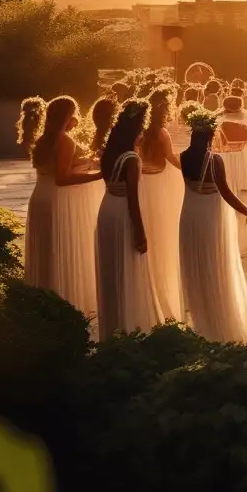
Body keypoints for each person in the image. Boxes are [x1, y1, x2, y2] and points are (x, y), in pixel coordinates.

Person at [178, 108, 247, 342]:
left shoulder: (184, 157)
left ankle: (200, 319)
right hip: (211, 215)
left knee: (197, 264)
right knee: (215, 262)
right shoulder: (215, 160)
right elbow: (226, 194)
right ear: (210, 135)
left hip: (190, 214)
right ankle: (219, 320)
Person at [95, 99, 163, 342]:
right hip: (123, 211)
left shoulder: (109, 153)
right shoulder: (131, 159)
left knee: (111, 266)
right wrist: (140, 233)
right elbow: (133, 200)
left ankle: (114, 325)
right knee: (129, 264)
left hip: (106, 209)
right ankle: (132, 325)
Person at [36, 95, 104, 328]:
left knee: (48, 249)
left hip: (40, 197)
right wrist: (97, 175)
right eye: (74, 112)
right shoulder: (65, 141)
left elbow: (57, 167)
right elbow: (62, 178)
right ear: (66, 116)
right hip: (57, 199)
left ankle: (45, 302)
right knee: (61, 246)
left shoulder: (44, 139)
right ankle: (64, 302)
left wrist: (86, 161)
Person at [137, 86, 185, 321]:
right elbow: (171, 159)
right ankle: (160, 292)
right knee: (159, 235)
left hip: (140, 184)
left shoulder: (139, 131)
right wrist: (192, 169)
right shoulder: (160, 133)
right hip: (156, 187)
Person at [216, 95, 247, 255]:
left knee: (225, 194)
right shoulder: (243, 127)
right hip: (240, 161)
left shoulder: (218, 124)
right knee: (241, 197)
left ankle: (227, 235)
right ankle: (240, 235)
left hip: (223, 160)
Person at [19, 97, 53, 291]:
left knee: (43, 245)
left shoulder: (36, 139)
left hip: (39, 191)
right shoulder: (49, 139)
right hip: (50, 191)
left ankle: (40, 287)